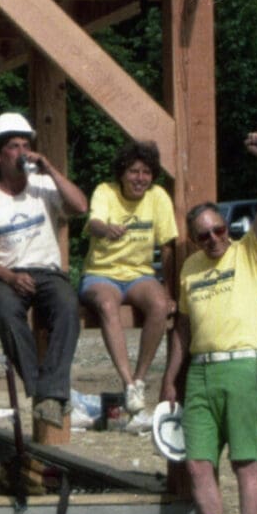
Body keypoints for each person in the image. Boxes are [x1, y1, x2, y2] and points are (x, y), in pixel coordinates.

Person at [162, 131, 257, 514]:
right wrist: (171, 379)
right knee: (197, 464)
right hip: (201, 375)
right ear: (193, 239)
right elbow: (183, 329)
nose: (213, 238)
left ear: (227, 229)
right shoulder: (191, 269)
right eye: (204, 234)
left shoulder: (249, 253)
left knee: (245, 462)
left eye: (218, 230)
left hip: (242, 367)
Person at [0, 111, 87, 430]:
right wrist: (10, 277)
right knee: (7, 314)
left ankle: (49, 395)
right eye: (14, 146)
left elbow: (80, 207)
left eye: (26, 144)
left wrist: (50, 168)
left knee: (68, 307)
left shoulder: (43, 185)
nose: (22, 151)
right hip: (6, 275)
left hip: (47, 271)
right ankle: (42, 390)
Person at [79, 138, 178, 415]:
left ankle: (139, 379)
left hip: (139, 274)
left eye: (146, 172)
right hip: (102, 273)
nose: (140, 178)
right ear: (122, 173)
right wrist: (106, 229)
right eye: (134, 171)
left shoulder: (158, 197)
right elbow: (94, 222)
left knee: (159, 305)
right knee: (107, 305)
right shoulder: (105, 191)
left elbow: (167, 245)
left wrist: (169, 290)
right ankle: (126, 382)